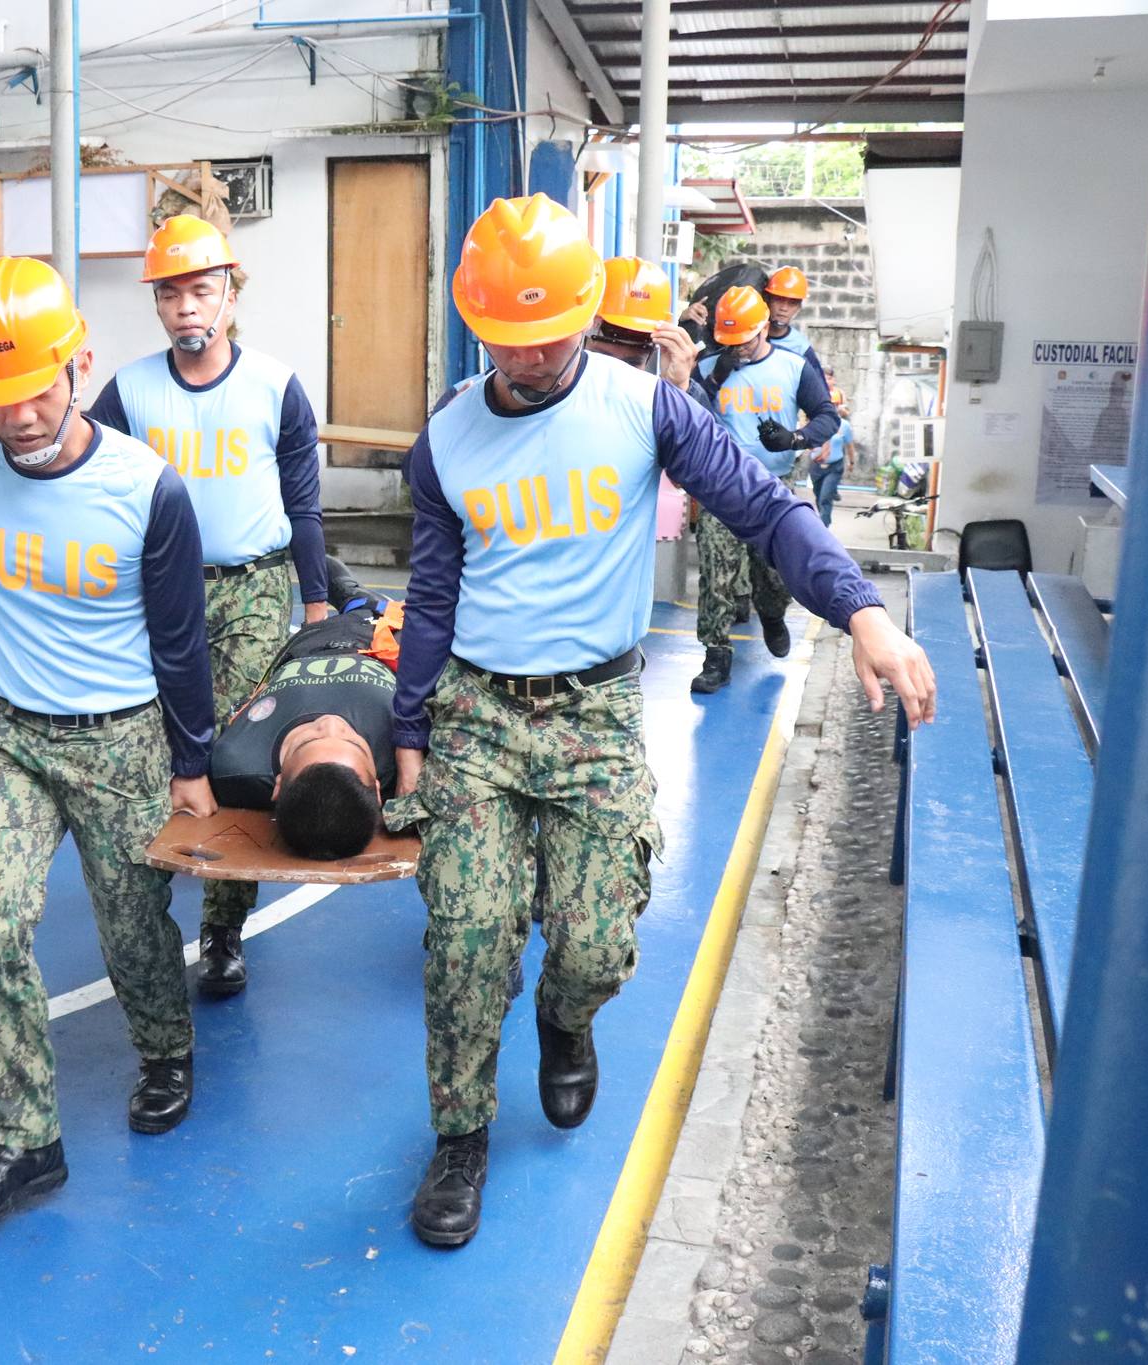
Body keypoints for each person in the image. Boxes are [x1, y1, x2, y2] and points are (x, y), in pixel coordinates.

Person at [393, 193, 935, 1248]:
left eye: (553, 329)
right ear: (478, 325)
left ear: (588, 308)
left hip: (592, 710)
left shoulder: (644, 410)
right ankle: (459, 1136)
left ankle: (564, 1017)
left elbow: (765, 510)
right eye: (511, 334)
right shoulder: (444, 441)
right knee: (461, 940)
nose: (536, 353)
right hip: (474, 713)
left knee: (595, 942)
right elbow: (431, 592)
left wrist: (860, 611)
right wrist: (408, 731)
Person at [0, 257, 218, 1223]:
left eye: (37, 392)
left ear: (78, 363)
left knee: (132, 927)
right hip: (9, 735)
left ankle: (164, 1049)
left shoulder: (145, 490)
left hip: (119, 739)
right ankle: (23, 1139)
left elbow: (181, 641)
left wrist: (190, 766)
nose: (20, 418)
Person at [88, 215, 330, 1000]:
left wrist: (317, 599)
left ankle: (224, 924)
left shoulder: (275, 387)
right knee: (149, 744)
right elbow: (90, 491)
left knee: (232, 749)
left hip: (254, 588)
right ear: (156, 304)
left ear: (230, 295)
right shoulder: (127, 392)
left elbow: (302, 501)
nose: (188, 307)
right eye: (172, 294)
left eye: (202, 290)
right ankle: (149, 897)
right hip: (161, 589)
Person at [687, 285, 842, 694]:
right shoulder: (709, 367)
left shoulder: (794, 367)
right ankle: (716, 654)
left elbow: (827, 417)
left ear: (762, 331)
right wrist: (718, 371)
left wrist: (795, 439)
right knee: (716, 573)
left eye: (743, 341)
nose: (736, 349)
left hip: (774, 484)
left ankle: (772, 614)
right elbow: (688, 413)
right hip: (720, 483)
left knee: (772, 573)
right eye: (729, 342)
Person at [208, 559, 399, 859]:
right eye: (353, 742)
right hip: (381, 639)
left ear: (278, 783)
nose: (329, 722)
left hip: (308, 643)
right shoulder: (400, 761)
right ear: (377, 789)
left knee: (325, 567)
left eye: (308, 740)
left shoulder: (237, 763)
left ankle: (351, 596)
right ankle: (356, 598)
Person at [585, 256, 700, 391]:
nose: (616, 377)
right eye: (604, 360)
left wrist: (677, 389)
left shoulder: (661, 398)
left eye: (632, 364)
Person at [810, 387, 854, 527]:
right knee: (818, 496)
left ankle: (823, 528)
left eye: (834, 404)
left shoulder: (844, 425)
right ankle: (822, 521)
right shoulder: (815, 422)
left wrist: (851, 462)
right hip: (816, 466)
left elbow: (849, 446)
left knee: (825, 498)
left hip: (834, 467)